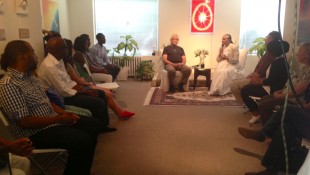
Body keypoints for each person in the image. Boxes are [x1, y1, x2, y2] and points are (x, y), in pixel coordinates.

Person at [0, 40, 102, 175]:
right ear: (23, 56)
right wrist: (59, 120)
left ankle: (81, 169)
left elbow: (47, 101)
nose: (36, 56)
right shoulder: (9, 84)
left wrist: (63, 113)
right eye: (33, 52)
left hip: (52, 122)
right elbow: (24, 122)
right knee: (82, 140)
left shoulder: (30, 77)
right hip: (34, 133)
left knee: (93, 124)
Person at [37, 37, 117, 132]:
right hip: (63, 99)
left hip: (70, 92)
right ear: (58, 50)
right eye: (65, 47)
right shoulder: (49, 66)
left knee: (101, 94)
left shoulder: (59, 60)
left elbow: (69, 82)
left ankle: (103, 125)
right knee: (97, 102)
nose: (68, 49)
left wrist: (83, 88)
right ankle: (97, 126)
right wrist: (84, 91)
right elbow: (63, 91)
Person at [64, 39, 135, 119]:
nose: (89, 45)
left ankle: (121, 112)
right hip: (81, 83)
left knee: (108, 91)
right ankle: (120, 113)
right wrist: (85, 81)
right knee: (107, 89)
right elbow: (83, 74)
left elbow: (80, 74)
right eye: (87, 43)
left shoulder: (71, 61)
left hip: (81, 82)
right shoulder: (76, 56)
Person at [257, 42, 310, 124]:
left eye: (299, 51)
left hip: (294, 100)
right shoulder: (304, 68)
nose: (297, 54)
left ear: (307, 55)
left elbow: (297, 91)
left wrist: (281, 95)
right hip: (286, 94)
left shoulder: (308, 72)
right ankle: (269, 125)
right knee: (263, 99)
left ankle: (267, 132)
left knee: (264, 105)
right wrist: (282, 91)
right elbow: (293, 85)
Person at [240, 40, 290, 124]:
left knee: (244, 90)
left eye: (268, 51)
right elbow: (272, 79)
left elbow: (271, 81)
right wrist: (259, 81)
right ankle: (258, 113)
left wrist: (258, 82)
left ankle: (256, 114)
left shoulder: (278, 63)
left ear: (272, 52)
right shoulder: (280, 61)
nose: (267, 53)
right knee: (247, 87)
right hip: (271, 86)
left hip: (272, 90)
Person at [230, 31, 282, 104]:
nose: (265, 39)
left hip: (261, 81)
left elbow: (261, 72)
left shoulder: (271, 55)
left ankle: (248, 104)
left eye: (266, 37)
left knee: (234, 85)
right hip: (258, 77)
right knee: (234, 81)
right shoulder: (268, 52)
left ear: (270, 39)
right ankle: (248, 104)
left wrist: (251, 76)